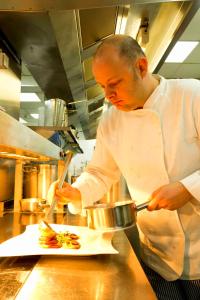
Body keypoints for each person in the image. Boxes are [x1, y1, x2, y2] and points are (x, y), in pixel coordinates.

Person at [54, 35, 200, 299]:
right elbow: (99, 172)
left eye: (114, 84)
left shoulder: (191, 95)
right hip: (157, 252)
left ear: (141, 67)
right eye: (101, 86)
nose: (108, 96)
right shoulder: (111, 120)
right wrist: (76, 192)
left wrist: (187, 188)